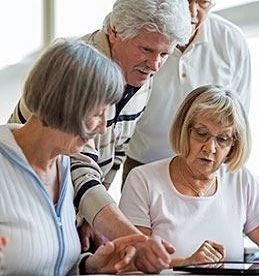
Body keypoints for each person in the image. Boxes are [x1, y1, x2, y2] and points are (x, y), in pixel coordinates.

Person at [8, 0, 192, 270]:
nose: (154, 65)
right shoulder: (78, 71)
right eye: (146, 49)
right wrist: (135, 240)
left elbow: (117, 153)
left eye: (164, 54)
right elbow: (79, 168)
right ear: (115, 32)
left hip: (69, 210)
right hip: (29, 195)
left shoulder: (141, 73)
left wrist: (88, 219)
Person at [119, 85, 259, 266]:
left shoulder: (239, 179)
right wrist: (187, 264)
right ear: (184, 130)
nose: (210, 148)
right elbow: (134, 262)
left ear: (233, 145)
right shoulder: (143, 180)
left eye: (222, 139)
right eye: (201, 134)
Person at [0, 39, 155, 274]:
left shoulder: (62, 165)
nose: (103, 128)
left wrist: (89, 266)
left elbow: (45, 263)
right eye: (97, 114)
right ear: (65, 106)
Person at [122, 0, 251, 183]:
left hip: (208, 166)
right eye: (184, 0)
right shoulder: (145, 34)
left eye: (203, 2)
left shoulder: (232, 40)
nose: (192, 11)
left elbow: (238, 119)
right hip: (145, 164)